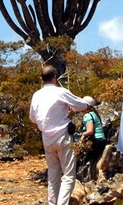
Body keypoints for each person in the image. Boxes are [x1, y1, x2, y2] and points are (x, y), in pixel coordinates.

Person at [29, 65, 90, 205]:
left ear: (41, 78)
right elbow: (81, 105)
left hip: (47, 139)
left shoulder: (36, 95)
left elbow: (32, 118)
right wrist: (88, 106)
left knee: (53, 175)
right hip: (63, 136)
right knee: (68, 176)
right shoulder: (60, 92)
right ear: (55, 77)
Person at [79, 95, 107, 181]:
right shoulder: (94, 114)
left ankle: (83, 179)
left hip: (96, 141)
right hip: (101, 140)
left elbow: (90, 131)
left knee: (80, 159)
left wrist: (82, 136)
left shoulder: (87, 116)